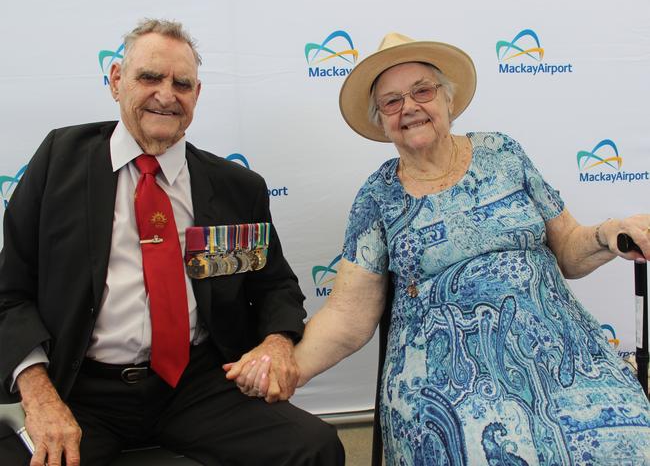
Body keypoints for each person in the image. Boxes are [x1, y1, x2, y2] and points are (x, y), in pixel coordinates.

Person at [229, 33, 650, 464]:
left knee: (628, 436)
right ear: (381, 121)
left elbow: (568, 251)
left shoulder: (503, 153)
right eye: (391, 102)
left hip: (564, 352)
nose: (409, 107)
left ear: (448, 100)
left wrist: (610, 233)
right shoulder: (378, 197)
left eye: (422, 91)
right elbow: (347, 316)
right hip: (445, 378)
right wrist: (285, 368)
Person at [0, 19, 344, 466]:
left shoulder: (237, 186)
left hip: (196, 385)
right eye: (149, 77)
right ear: (117, 81)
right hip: (81, 389)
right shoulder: (58, 161)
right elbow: (10, 295)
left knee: (315, 448)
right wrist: (40, 394)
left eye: (182, 83)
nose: (167, 94)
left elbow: (275, 286)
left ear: (196, 95)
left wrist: (277, 342)